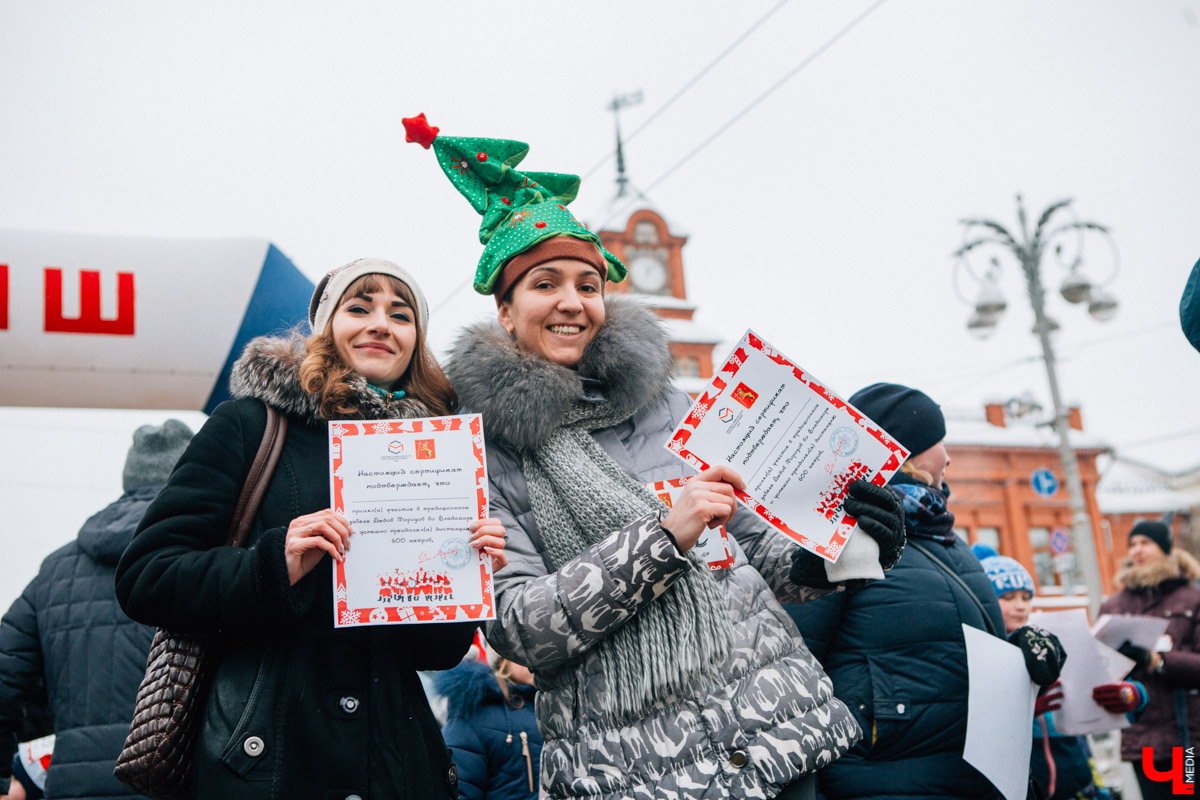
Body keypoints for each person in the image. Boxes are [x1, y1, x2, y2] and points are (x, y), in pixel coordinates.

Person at [407, 115, 908, 800]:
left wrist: (840, 546)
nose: (571, 302)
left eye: (588, 285)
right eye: (545, 283)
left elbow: (760, 550)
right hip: (639, 773)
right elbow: (520, 629)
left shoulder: (672, 408)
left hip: (775, 739)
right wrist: (665, 536)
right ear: (505, 308)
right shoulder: (480, 452)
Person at [114, 259, 508, 800]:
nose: (380, 324)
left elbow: (433, 653)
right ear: (326, 326)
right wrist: (273, 564)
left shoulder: (440, 457)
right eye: (359, 307)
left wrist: (466, 574)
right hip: (268, 758)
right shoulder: (253, 425)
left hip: (395, 764)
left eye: (401, 314)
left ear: (415, 341)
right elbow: (146, 575)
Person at [788, 383, 1065, 800]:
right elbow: (795, 672)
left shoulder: (951, 543)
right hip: (878, 785)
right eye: (938, 442)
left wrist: (1024, 656)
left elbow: (946, 656)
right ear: (907, 454)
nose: (949, 457)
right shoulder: (841, 539)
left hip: (978, 780)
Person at [0, 419, 193, 800]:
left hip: (76, 785)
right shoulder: (208, 558)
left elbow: (4, 678)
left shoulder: (55, 571)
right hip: (177, 777)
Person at [976, 545, 1136, 800]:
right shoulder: (980, 652)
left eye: (1026, 597)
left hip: (1075, 779)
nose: (1020, 606)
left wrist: (1132, 694)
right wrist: (1024, 711)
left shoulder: (1049, 644)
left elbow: (1111, 688)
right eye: (1008, 598)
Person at [1097, 519, 1200, 800]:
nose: (1137, 550)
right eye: (1132, 544)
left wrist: (1157, 661)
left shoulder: (1192, 598)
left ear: (1166, 549)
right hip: (1143, 737)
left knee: (1186, 795)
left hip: (1186, 737)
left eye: (1146, 543)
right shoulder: (1114, 605)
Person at [436, 648, 543, 800]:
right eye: (525, 650)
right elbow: (459, 791)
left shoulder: (556, 707)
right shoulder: (472, 713)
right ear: (503, 658)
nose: (537, 659)